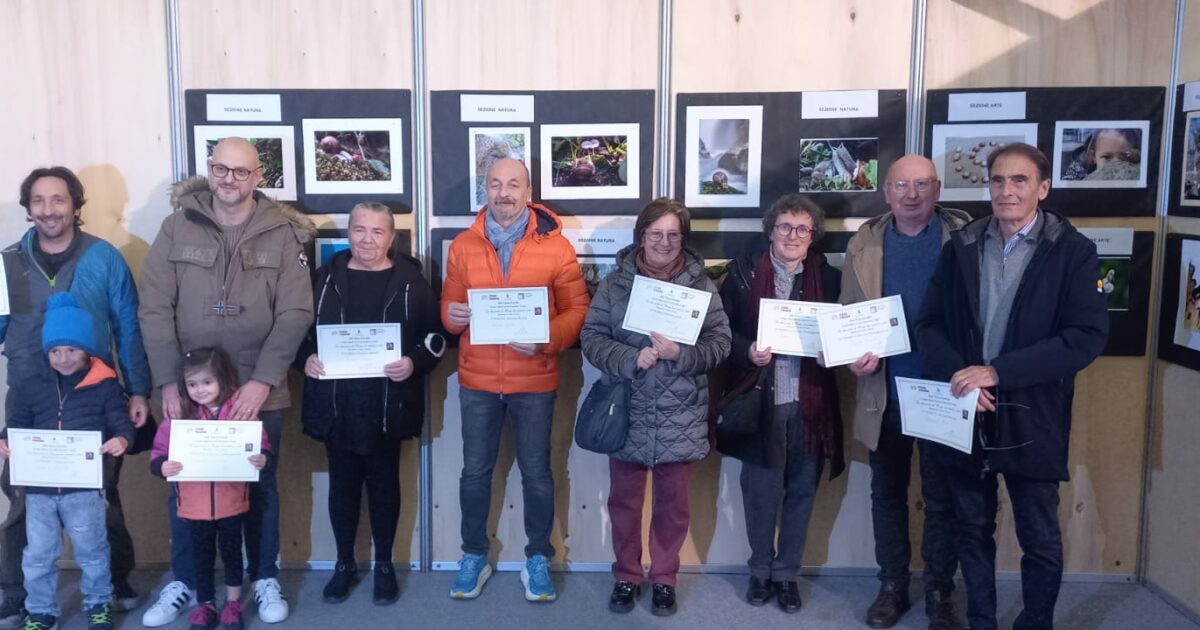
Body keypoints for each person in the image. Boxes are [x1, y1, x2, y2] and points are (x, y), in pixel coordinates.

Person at [916, 143, 1108, 630]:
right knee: (971, 529)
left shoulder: (1073, 253)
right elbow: (929, 324)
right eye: (998, 180)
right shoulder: (960, 247)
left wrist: (999, 371)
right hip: (968, 411)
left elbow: (1085, 338)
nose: (1006, 190)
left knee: (1039, 536)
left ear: (1043, 188)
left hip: (1033, 414)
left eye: (1019, 180)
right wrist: (960, 373)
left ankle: (1035, 622)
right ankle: (981, 620)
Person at [139, 137, 315, 625]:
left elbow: (296, 312)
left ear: (259, 177)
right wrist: (168, 383)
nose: (230, 180)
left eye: (242, 172)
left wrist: (262, 381)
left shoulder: (283, 234)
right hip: (188, 391)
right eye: (221, 169)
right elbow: (154, 309)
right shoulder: (176, 227)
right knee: (182, 481)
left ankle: (262, 577)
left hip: (259, 390)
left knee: (259, 484)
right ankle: (186, 580)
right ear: (210, 170)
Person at [0, 166, 151, 627]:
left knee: (101, 492)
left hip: (93, 396)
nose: (49, 210)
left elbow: (129, 326)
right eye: (39, 201)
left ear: (76, 206)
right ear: (28, 208)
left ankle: (115, 582)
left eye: (59, 200)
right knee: (24, 494)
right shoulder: (7, 262)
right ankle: (15, 590)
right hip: (30, 399)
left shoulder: (104, 258)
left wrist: (139, 389)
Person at [440, 158, 589, 602]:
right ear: (485, 189)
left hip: (535, 381)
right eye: (495, 184)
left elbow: (577, 312)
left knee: (539, 474)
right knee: (474, 474)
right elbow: (448, 310)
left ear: (528, 191)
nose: (503, 192)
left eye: (513, 184)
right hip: (477, 383)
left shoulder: (556, 247)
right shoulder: (463, 246)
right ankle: (472, 555)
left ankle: (538, 558)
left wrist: (545, 340)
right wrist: (452, 316)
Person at [579, 198, 731, 616]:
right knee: (623, 504)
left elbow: (720, 344)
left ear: (683, 237)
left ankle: (664, 578)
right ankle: (626, 575)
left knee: (672, 506)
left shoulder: (702, 286)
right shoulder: (614, 285)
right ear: (641, 236)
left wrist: (681, 353)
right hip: (626, 410)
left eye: (673, 234)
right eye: (655, 234)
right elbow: (591, 338)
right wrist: (632, 358)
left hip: (681, 413)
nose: (664, 242)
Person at [841, 155, 970, 630]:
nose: (911, 195)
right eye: (901, 185)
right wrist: (854, 354)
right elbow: (848, 313)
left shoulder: (967, 237)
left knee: (943, 498)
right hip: (885, 392)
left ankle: (939, 591)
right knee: (886, 493)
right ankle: (892, 585)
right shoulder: (866, 241)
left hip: (945, 391)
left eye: (921, 185)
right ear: (886, 191)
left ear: (937, 189)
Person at [297, 202, 445, 605]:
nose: (367, 239)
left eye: (377, 232)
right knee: (342, 486)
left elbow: (435, 337)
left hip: (387, 404)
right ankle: (344, 564)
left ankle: (383, 565)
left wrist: (414, 362)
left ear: (391, 237)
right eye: (359, 230)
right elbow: (297, 333)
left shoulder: (412, 282)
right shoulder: (323, 279)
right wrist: (304, 359)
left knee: (384, 486)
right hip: (336, 404)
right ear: (349, 233)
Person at [716, 194, 843, 614]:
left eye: (802, 228)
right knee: (760, 494)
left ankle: (787, 574)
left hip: (812, 405)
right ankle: (759, 570)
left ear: (813, 236)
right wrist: (746, 351)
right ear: (771, 230)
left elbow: (844, 332)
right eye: (785, 226)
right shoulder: (741, 274)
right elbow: (720, 334)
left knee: (802, 492)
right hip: (761, 401)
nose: (792, 235)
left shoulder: (829, 276)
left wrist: (835, 352)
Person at [0, 292, 135, 630]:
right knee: (38, 556)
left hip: (85, 491)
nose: (63, 358)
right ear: (47, 351)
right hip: (40, 492)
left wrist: (122, 439)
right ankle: (42, 610)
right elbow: (18, 422)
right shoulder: (32, 386)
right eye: (55, 350)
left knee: (92, 552)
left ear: (86, 349)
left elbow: (120, 422)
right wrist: (5, 438)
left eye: (72, 349)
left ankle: (98, 604)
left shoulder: (104, 386)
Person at [150, 348, 269, 630]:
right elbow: (158, 454)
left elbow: (261, 444)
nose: (199, 390)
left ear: (224, 381)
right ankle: (205, 605)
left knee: (230, 554)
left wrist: (263, 458)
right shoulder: (179, 417)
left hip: (232, 502)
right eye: (192, 384)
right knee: (201, 557)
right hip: (193, 505)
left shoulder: (241, 413)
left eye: (206, 382)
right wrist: (161, 467)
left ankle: (232, 604)